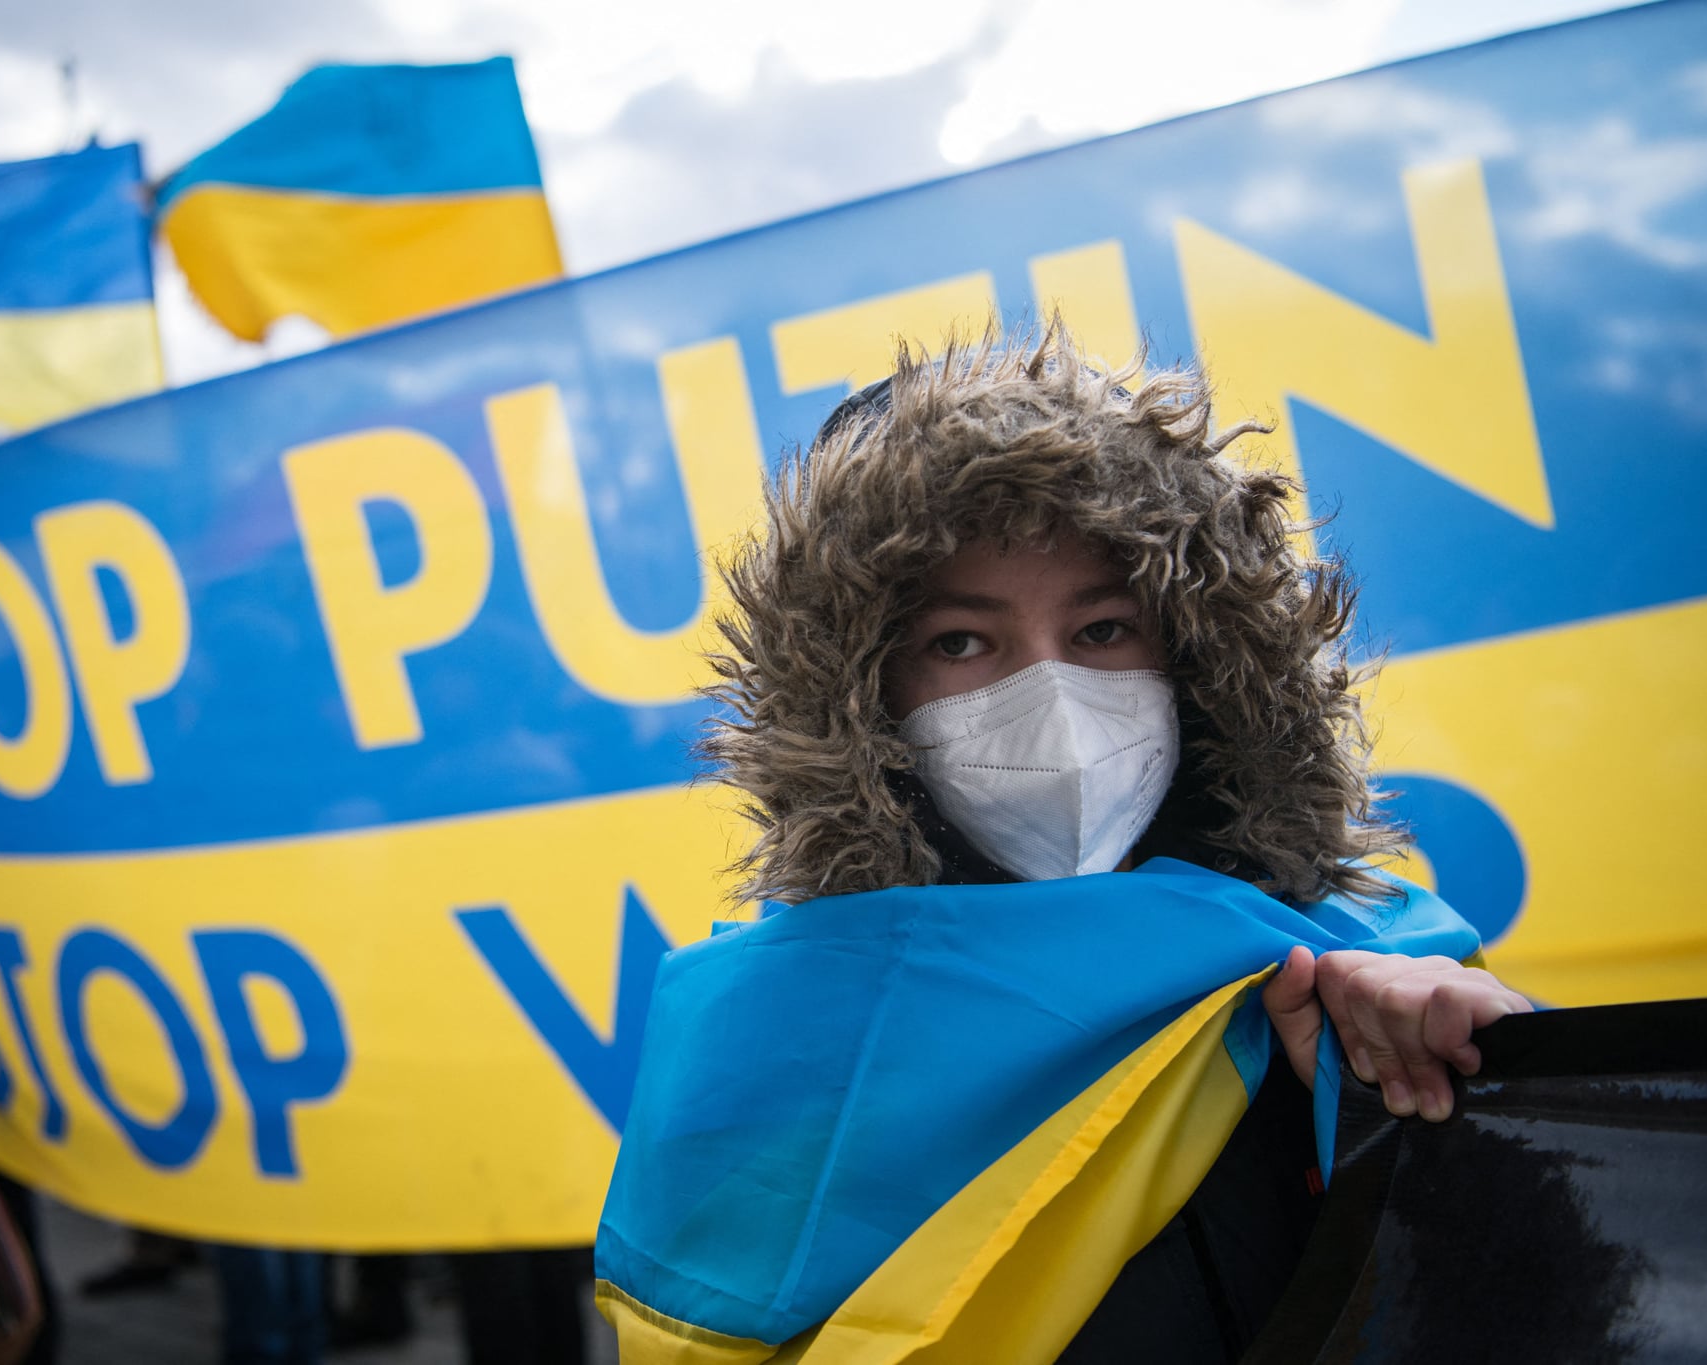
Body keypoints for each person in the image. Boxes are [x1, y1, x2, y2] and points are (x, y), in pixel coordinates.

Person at [594, 326, 1533, 1363]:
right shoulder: (769, 1046)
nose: (1052, 700)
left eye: (1100, 632)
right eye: (960, 643)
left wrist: (1476, 1102)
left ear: (1197, 656)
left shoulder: (1355, 965)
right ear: (861, 692)